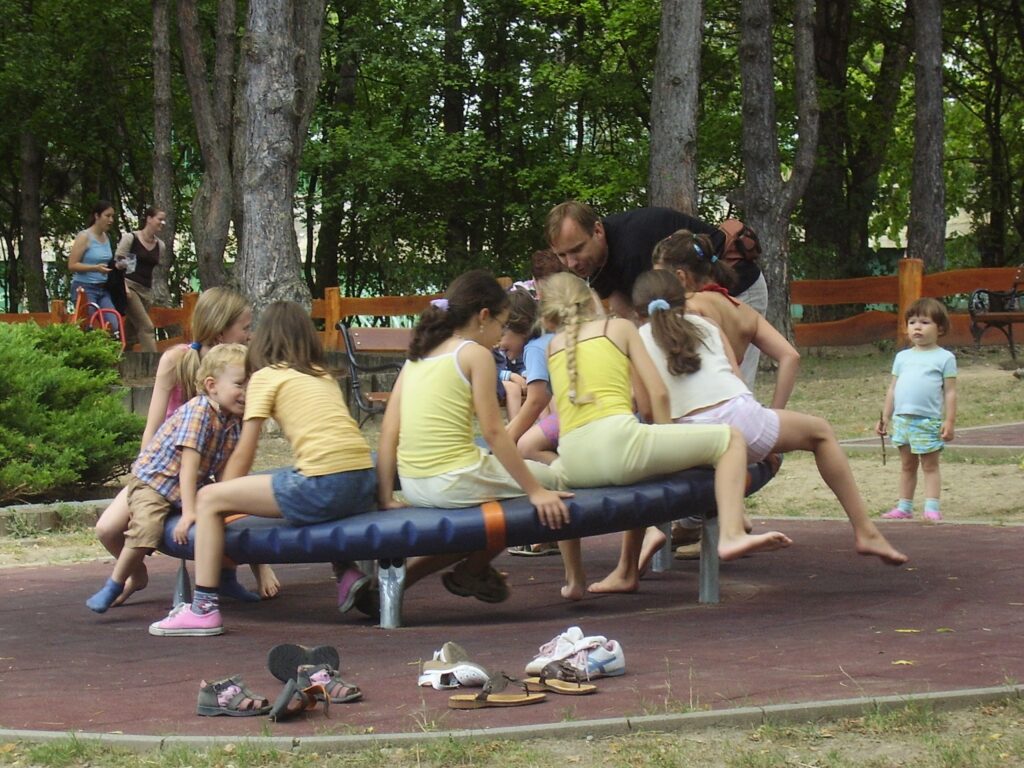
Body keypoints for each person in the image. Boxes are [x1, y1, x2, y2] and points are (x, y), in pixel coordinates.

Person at [630, 270, 908, 569]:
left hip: (690, 443)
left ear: (637, 313)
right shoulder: (708, 325)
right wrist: (765, 437)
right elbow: (736, 383)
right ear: (683, 299)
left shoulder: (636, 341)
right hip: (744, 425)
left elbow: (646, 409)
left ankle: (652, 546)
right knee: (820, 432)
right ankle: (866, 531)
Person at [539, 272, 792, 601]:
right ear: (591, 301)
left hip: (574, 461)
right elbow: (656, 395)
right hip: (621, 445)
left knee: (575, 485)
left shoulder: (552, 347)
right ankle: (732, 533)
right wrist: (667, 439)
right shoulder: (620, 328)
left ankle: (574, 579)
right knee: (731, 439)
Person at [149, 302, 379, 637]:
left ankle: (203, 609)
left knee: (210, 498)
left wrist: (222, 495)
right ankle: (347, 572)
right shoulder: (321, 375)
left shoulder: (266, 377)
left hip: (323, 484)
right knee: (311, 492)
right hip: (363, 482)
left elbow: (245, 450)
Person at [376, 269, 573, 602]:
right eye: (501, 324)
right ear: (483, 316)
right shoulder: (475, 355)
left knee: (493, 507)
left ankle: (466, 571)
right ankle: (472, 569)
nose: (500, 336)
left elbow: (388, 432)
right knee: (555, 480)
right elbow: (494, 432)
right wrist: (536, 491)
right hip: (454, 479)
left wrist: (385, 496)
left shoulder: (417, 359)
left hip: (414, 484)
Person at [94, 286, 278, 605]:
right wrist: (141, 484)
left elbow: (240, 446)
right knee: (107, 529)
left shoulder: (244, 369)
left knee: (230, 503)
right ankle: (136, 574)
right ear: (220, 332)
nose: (250, 335)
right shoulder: (176, 360)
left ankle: (244, 570)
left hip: (211, 468)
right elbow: (152, 429)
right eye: (245, 328)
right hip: (166, 469)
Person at [86, 344, 248, 613]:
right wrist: (189, 513)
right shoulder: (199, 413)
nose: (247, 392)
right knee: (147, 527)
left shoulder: (233, 420)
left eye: (252, 384)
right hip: (155, 482)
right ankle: (115, 583)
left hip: (189, 483)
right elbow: (188, 468)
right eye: (240, 384)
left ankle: (226, 578)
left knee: (223, 514)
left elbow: (222, 470)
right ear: (212, 386)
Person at [544, 203, 769, 387]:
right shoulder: (594, 263)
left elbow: (658, 324)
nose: (571, 263)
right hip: (696, 304)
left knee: (731, 386)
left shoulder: (632, 248)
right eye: (562, 255)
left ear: (597, 231)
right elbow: (631, 319)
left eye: (577, 249)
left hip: (738, 287)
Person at [651, 229, 799, 399]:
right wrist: (775, 409)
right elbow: (790, 356)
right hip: (735, 405)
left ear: (680, 277)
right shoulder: (743, 310)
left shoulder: (688, 306)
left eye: (660, 279)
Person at [876, 298, 958, 522]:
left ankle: (932, 507)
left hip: (928, 421)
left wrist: (949, 421)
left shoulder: (945, 358)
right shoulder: (902, 357)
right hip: (902, 421)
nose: (917, 327)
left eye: (924, 322)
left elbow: (950, 392)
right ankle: (904, 506)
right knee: (907, 465)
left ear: (940, 328)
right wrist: (885, 416)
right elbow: (893, 388)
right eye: (912, 322)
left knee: (930, 465)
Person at [114, 207, 166, 353]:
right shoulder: (131, 238)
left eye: (164, 220)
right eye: (160, 219)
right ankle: (153, 363)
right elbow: (116, 263)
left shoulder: (160, 245)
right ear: (149, 219)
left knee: (130, 333)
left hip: (146, 291)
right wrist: (126, 266)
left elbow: (155, 268)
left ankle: (118, 359)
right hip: (129, 288)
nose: (162, 223)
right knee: (146, 327)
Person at [68, 201, 118, 322]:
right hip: (85, 287)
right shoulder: (84, 236)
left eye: (112, 216)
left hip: (103, 288)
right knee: (89, 325)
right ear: (97, 216)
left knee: (113, 323)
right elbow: (72, 265)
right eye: (107, 216)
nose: (111, 220)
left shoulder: (106, 237)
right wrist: (95, 268)